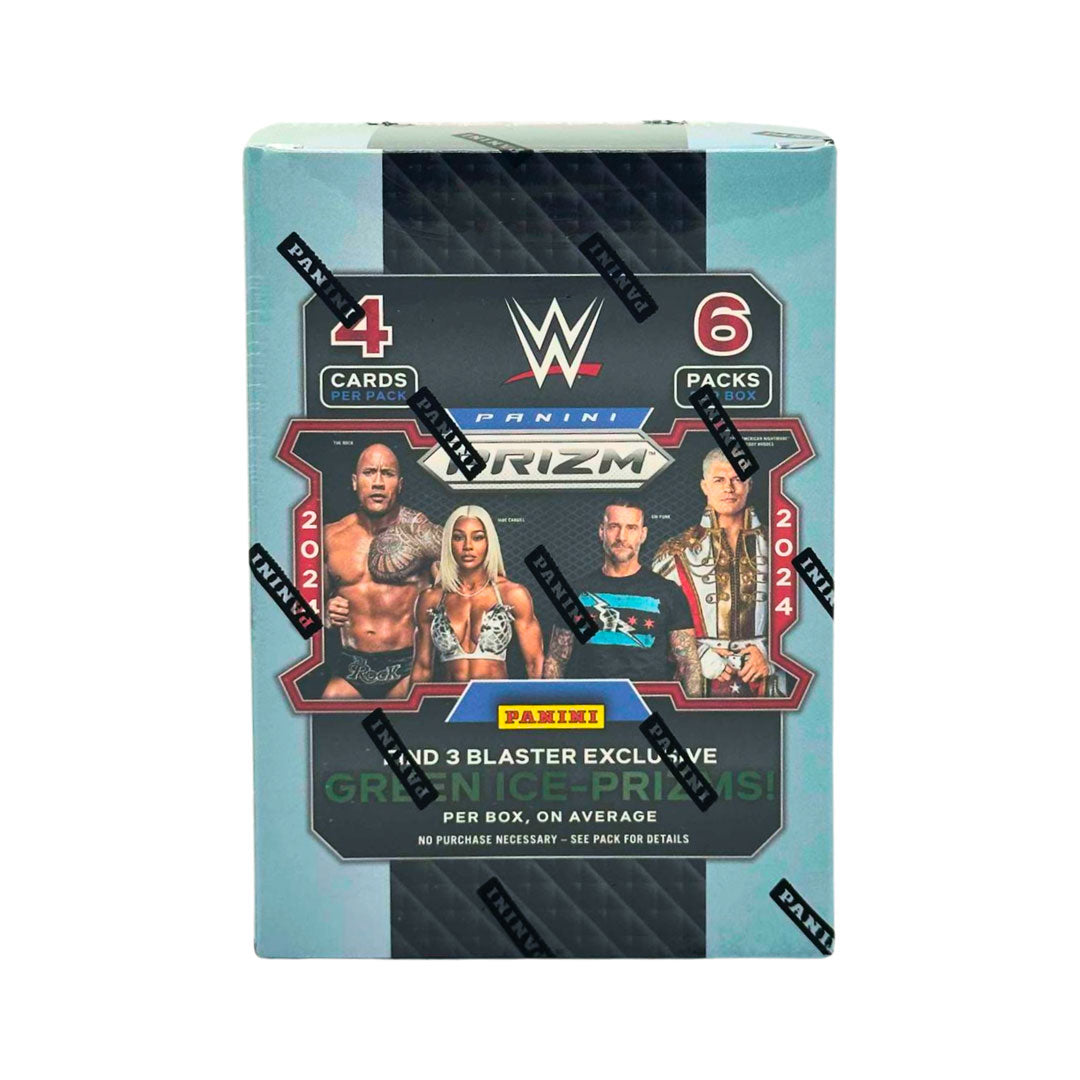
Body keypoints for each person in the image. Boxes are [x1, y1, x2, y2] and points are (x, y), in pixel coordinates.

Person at [653, 448, 782, 697]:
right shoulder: (675, 551)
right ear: (705, 486)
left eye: (737, 479)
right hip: (696, 683)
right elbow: (654, 624)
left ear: (749, 484)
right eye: (719, 480)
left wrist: (772, 654)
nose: (729, 488)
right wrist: (696, 654)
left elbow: (808, 617)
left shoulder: (781, 545)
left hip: (769, 683)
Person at [542, 499, 703, 695]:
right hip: (591, 704)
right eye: (614, 527)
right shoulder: (575, 592)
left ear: (643, 534)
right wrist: (550, 707)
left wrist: (692, 711)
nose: (621, 536)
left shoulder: (668, 592)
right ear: (602, 531)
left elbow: (688, 664)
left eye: (631, 528)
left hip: (648, 704)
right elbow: (556, 660)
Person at [321, 443, 441, 699]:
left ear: (400, 484)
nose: (378, 483)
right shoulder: (329, 537)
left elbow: (462, 591)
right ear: (355, 482)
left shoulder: (422, 534)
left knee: (406, 711)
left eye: (387, 474)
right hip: (352, 665)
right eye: (369, 472)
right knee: (329, 705)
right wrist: (325, 614)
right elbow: (301, 611)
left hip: (408, 666)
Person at [413, 506, 544, 683]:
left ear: (489, 542)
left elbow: (535, 663)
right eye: (458, 537)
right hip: (450, 697)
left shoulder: (512, 594)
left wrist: (535, 699)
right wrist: (412, 702)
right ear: (448, 543)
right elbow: (422, 668)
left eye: (478, 537)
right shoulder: (431, 598)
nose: (468, 546)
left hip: (496, 696)